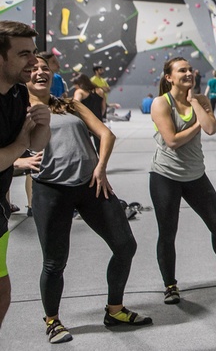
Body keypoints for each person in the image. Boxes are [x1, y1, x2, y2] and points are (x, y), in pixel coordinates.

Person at [27, 54, 151, 343]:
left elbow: (106, 133)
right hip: (50, 191)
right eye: (33, 68)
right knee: (54, 262)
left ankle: (115, 310)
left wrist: (101, 165)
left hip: (91, 184)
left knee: (125, 245)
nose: (40, 72)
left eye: (45, 68)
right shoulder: (18, 110)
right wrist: (20, 164)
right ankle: (53, 321)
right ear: (23, 75)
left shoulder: (70, 104)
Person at [150, 57, 216, 305]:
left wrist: (195, 103)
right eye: (182, 70)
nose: (188, 73)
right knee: (167, 232)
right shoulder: (160, 103)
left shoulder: (201, 100)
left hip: (195, 174)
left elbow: (210, 129)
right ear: (169, 77)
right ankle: (170, 285)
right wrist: (198, 122)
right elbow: (172, 141)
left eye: (190, 70)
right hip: (165, 175)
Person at [0, 20, 51, 330]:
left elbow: (34, 146)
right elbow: (20, 146)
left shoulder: (18, 94)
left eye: (33, 53)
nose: (34, 62)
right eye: (23, 54)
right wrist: (20, 143)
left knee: (2, 293)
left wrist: (43, 124)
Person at [72, 73, 107, 153]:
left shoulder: (80, 92)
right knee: (99, 146)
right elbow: (103, 107)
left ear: (79, 83)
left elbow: (75, 104)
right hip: (98, 121)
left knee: (84, 145)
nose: (74, 87)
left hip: (85, 122)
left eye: (75, 84)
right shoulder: (100, 91)